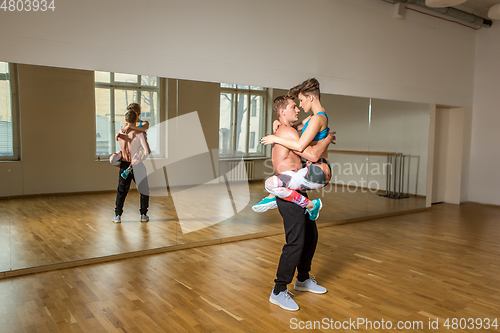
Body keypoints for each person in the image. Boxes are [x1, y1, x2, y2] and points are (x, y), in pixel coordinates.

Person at [267, 95, 330, 311]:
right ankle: (279, 290)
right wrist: (327, 140)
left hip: (298, 191)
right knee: (295, 242)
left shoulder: (284, 129)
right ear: (283, 110)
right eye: (294, 106)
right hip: (288, 194)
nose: (297, 109)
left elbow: (308, 126)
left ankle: (302, 279)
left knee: (310, 236)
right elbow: (312, 155)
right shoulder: (287, 132)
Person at [257, 79, 333, 220]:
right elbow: (295, 126)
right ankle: (274, 195)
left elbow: (300, 146)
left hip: (318, 170)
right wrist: (277, 121)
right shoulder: (315, 117)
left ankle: (309, 204)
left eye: (301, 100)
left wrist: (275, 139)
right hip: (313, 167)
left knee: (270, 183)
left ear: (310, 98)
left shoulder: (317, 119)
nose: (300, 105)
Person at [112, 110, 151, 223]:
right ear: (136, 120)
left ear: (125, 120)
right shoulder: (139, 134)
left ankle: (118, 215)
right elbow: (147, 151)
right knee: (144, 190)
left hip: (124, 164)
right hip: (137, 164)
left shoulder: (119, 133)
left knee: (121, 190)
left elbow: (119, 142)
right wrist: (138, 159)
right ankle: (143, 215)